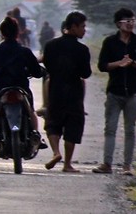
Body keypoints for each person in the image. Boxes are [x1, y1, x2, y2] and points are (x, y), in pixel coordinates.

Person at [0, 16, 46, 172]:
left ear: (1, 33)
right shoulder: (24, 51)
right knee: (31, 112)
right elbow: (36, 71)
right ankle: (36, 135)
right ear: (17, 33)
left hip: (1, 89)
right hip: (21, 89)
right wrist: (37, 72)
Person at [93, 8, 136, 176]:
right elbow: (102, 66)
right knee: (110, 128)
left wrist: (132, 63)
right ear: (119, 24)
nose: (131, 24)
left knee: (130, 130)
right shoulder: (109, 42)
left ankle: (127, 165)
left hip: (133, 91)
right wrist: (119, 63)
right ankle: (107, 163)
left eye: (133, 21)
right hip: (114, 91)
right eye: (127, 21)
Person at [41, 11, 91, 173]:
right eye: (83, 26)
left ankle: (56, 152)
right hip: (74, 92)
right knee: (72, 126)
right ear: (74, 27)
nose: (84, 30)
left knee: (53, 124)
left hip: (55, 89)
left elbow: (47, 66)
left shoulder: (50, 45)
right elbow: (86, 73)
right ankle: (67, 164)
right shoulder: (82, 49)